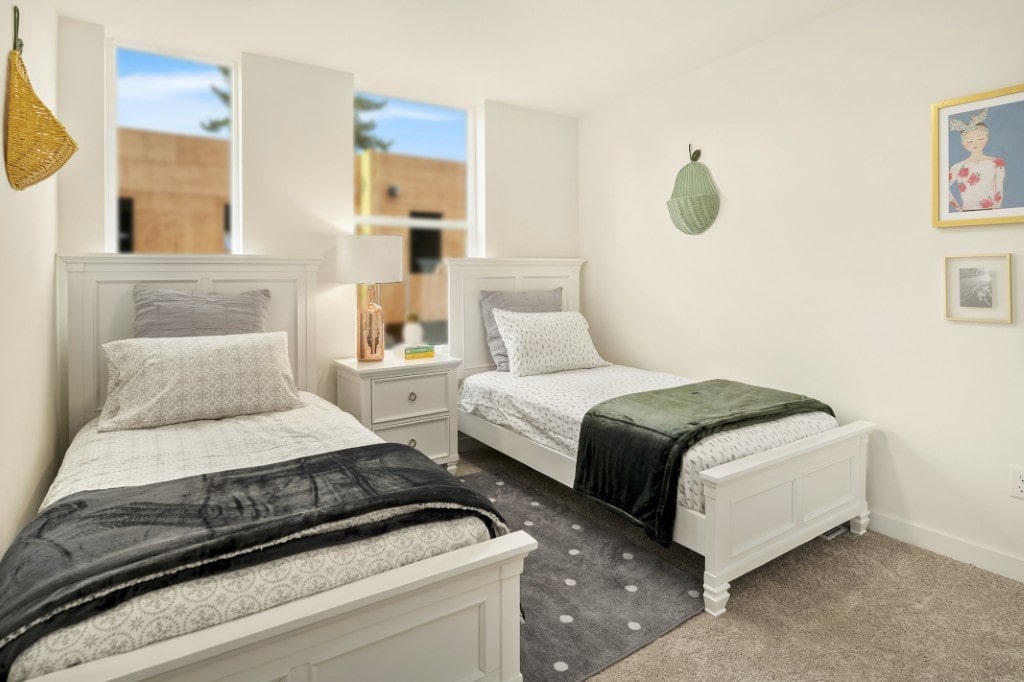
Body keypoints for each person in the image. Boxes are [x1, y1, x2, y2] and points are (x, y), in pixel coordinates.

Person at [948, 109, 1006, 211]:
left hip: (991, 212)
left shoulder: (997, 163)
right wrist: (958, 208)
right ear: (963, 143)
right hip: (967, 213)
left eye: (980, 138)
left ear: (986, 138)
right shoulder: (957, 167)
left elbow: (999, 189)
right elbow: (941, 188)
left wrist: (995, 210)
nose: (975, 143)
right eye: (970, 140)